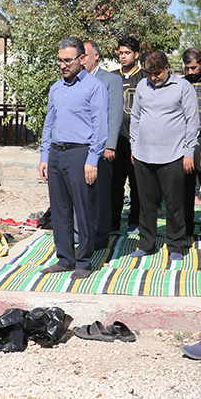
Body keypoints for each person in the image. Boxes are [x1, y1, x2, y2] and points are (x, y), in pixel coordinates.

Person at [38, 37, 108, 279]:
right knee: (59, 209)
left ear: (81, 59)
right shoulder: (56, 88)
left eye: (67, 60)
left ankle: (84, 261)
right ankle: (65, 258)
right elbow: (50, 123)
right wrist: (44, 155)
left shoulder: (94, 87)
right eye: (60, 60)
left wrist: (93, 159)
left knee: (84, 208)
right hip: (56, 153)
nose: (62, 65)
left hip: (80, 153)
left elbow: (100, 126)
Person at [128, 51, 200, 260]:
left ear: (168, 68)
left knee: (174, 203)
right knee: (146, 203)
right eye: (149, 73)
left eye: (157, 73)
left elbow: (192, 122)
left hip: (173, 155)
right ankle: (147, 244)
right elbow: (135, 117)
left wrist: (188, 153)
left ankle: (176, 246)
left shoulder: (183, 87)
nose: (153, 78)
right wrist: (134, 146)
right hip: (143, 154)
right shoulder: (142, 86)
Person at [83, 39, 123, 249]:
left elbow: (115, 114)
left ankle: (100, 237)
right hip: (80, 146)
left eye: (85, 55)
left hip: (102, 147)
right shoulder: (76, 79)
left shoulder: (110, 80)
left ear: (96, 56)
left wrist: (110, 145)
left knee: (101, 194)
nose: (82, 60)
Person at [110, 36, 147, 234]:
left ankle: (135, 221)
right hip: (116, 140)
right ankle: (112, 222)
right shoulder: (112, 76)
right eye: (121, 53)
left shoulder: (144, 77)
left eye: (127, 53)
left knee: (137, 184)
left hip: (137, 141)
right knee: (114, 184)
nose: (123, 57)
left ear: (136, 54)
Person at [182, 47, 201, 237]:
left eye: (193, 68)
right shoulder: (181, 83)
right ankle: (186, 227)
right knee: (184, 187)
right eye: (187, 68)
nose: (190, 72)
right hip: (184, 140)